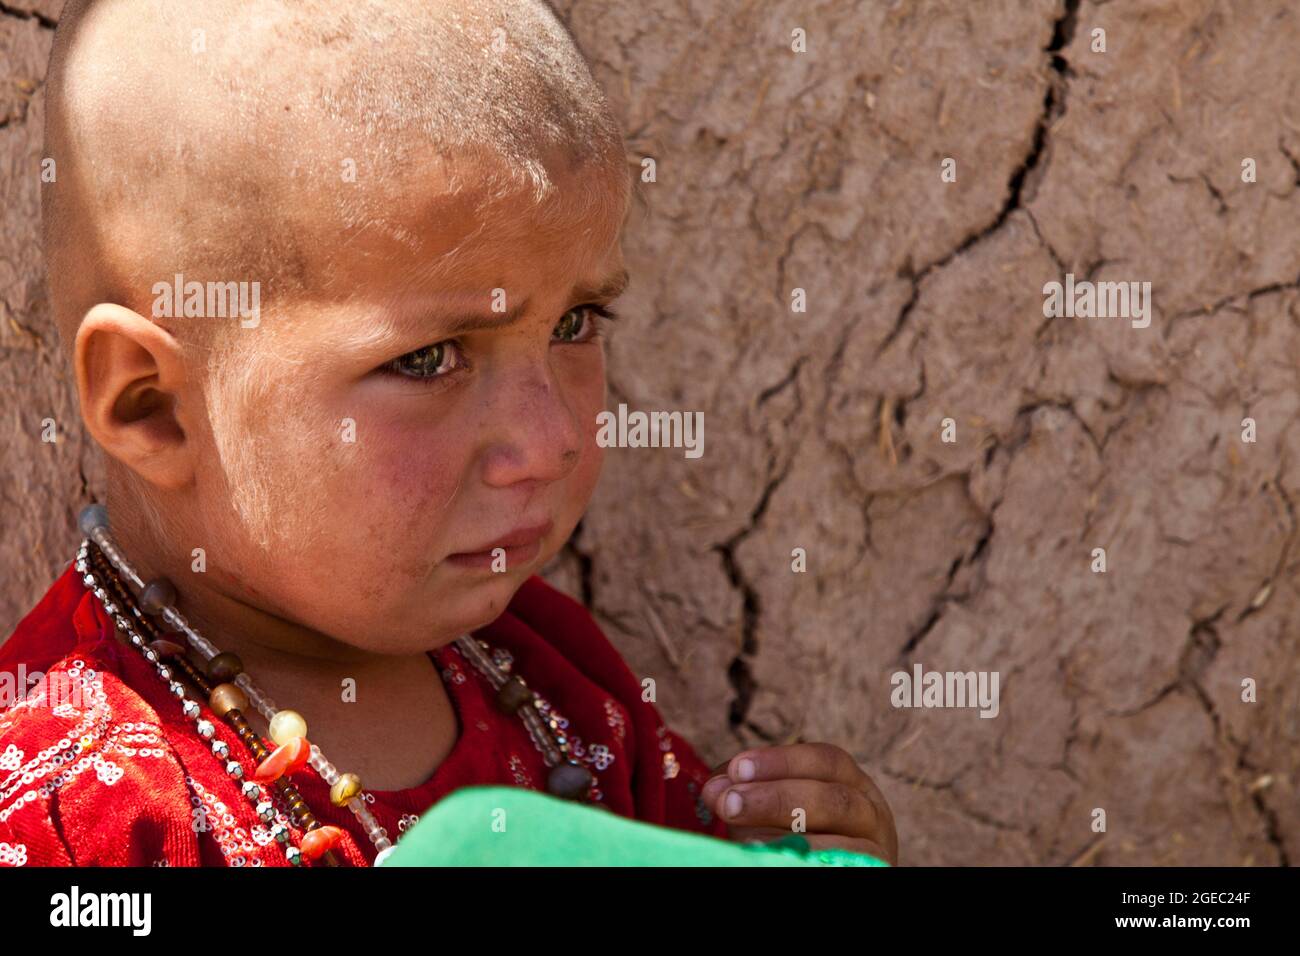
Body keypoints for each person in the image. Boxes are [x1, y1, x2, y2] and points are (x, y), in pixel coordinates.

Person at [0, 0, 897, 867]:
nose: (551, 442)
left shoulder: (554, 681)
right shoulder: (82, 807)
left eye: (576, 323)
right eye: (429, 359)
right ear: (153, 406)